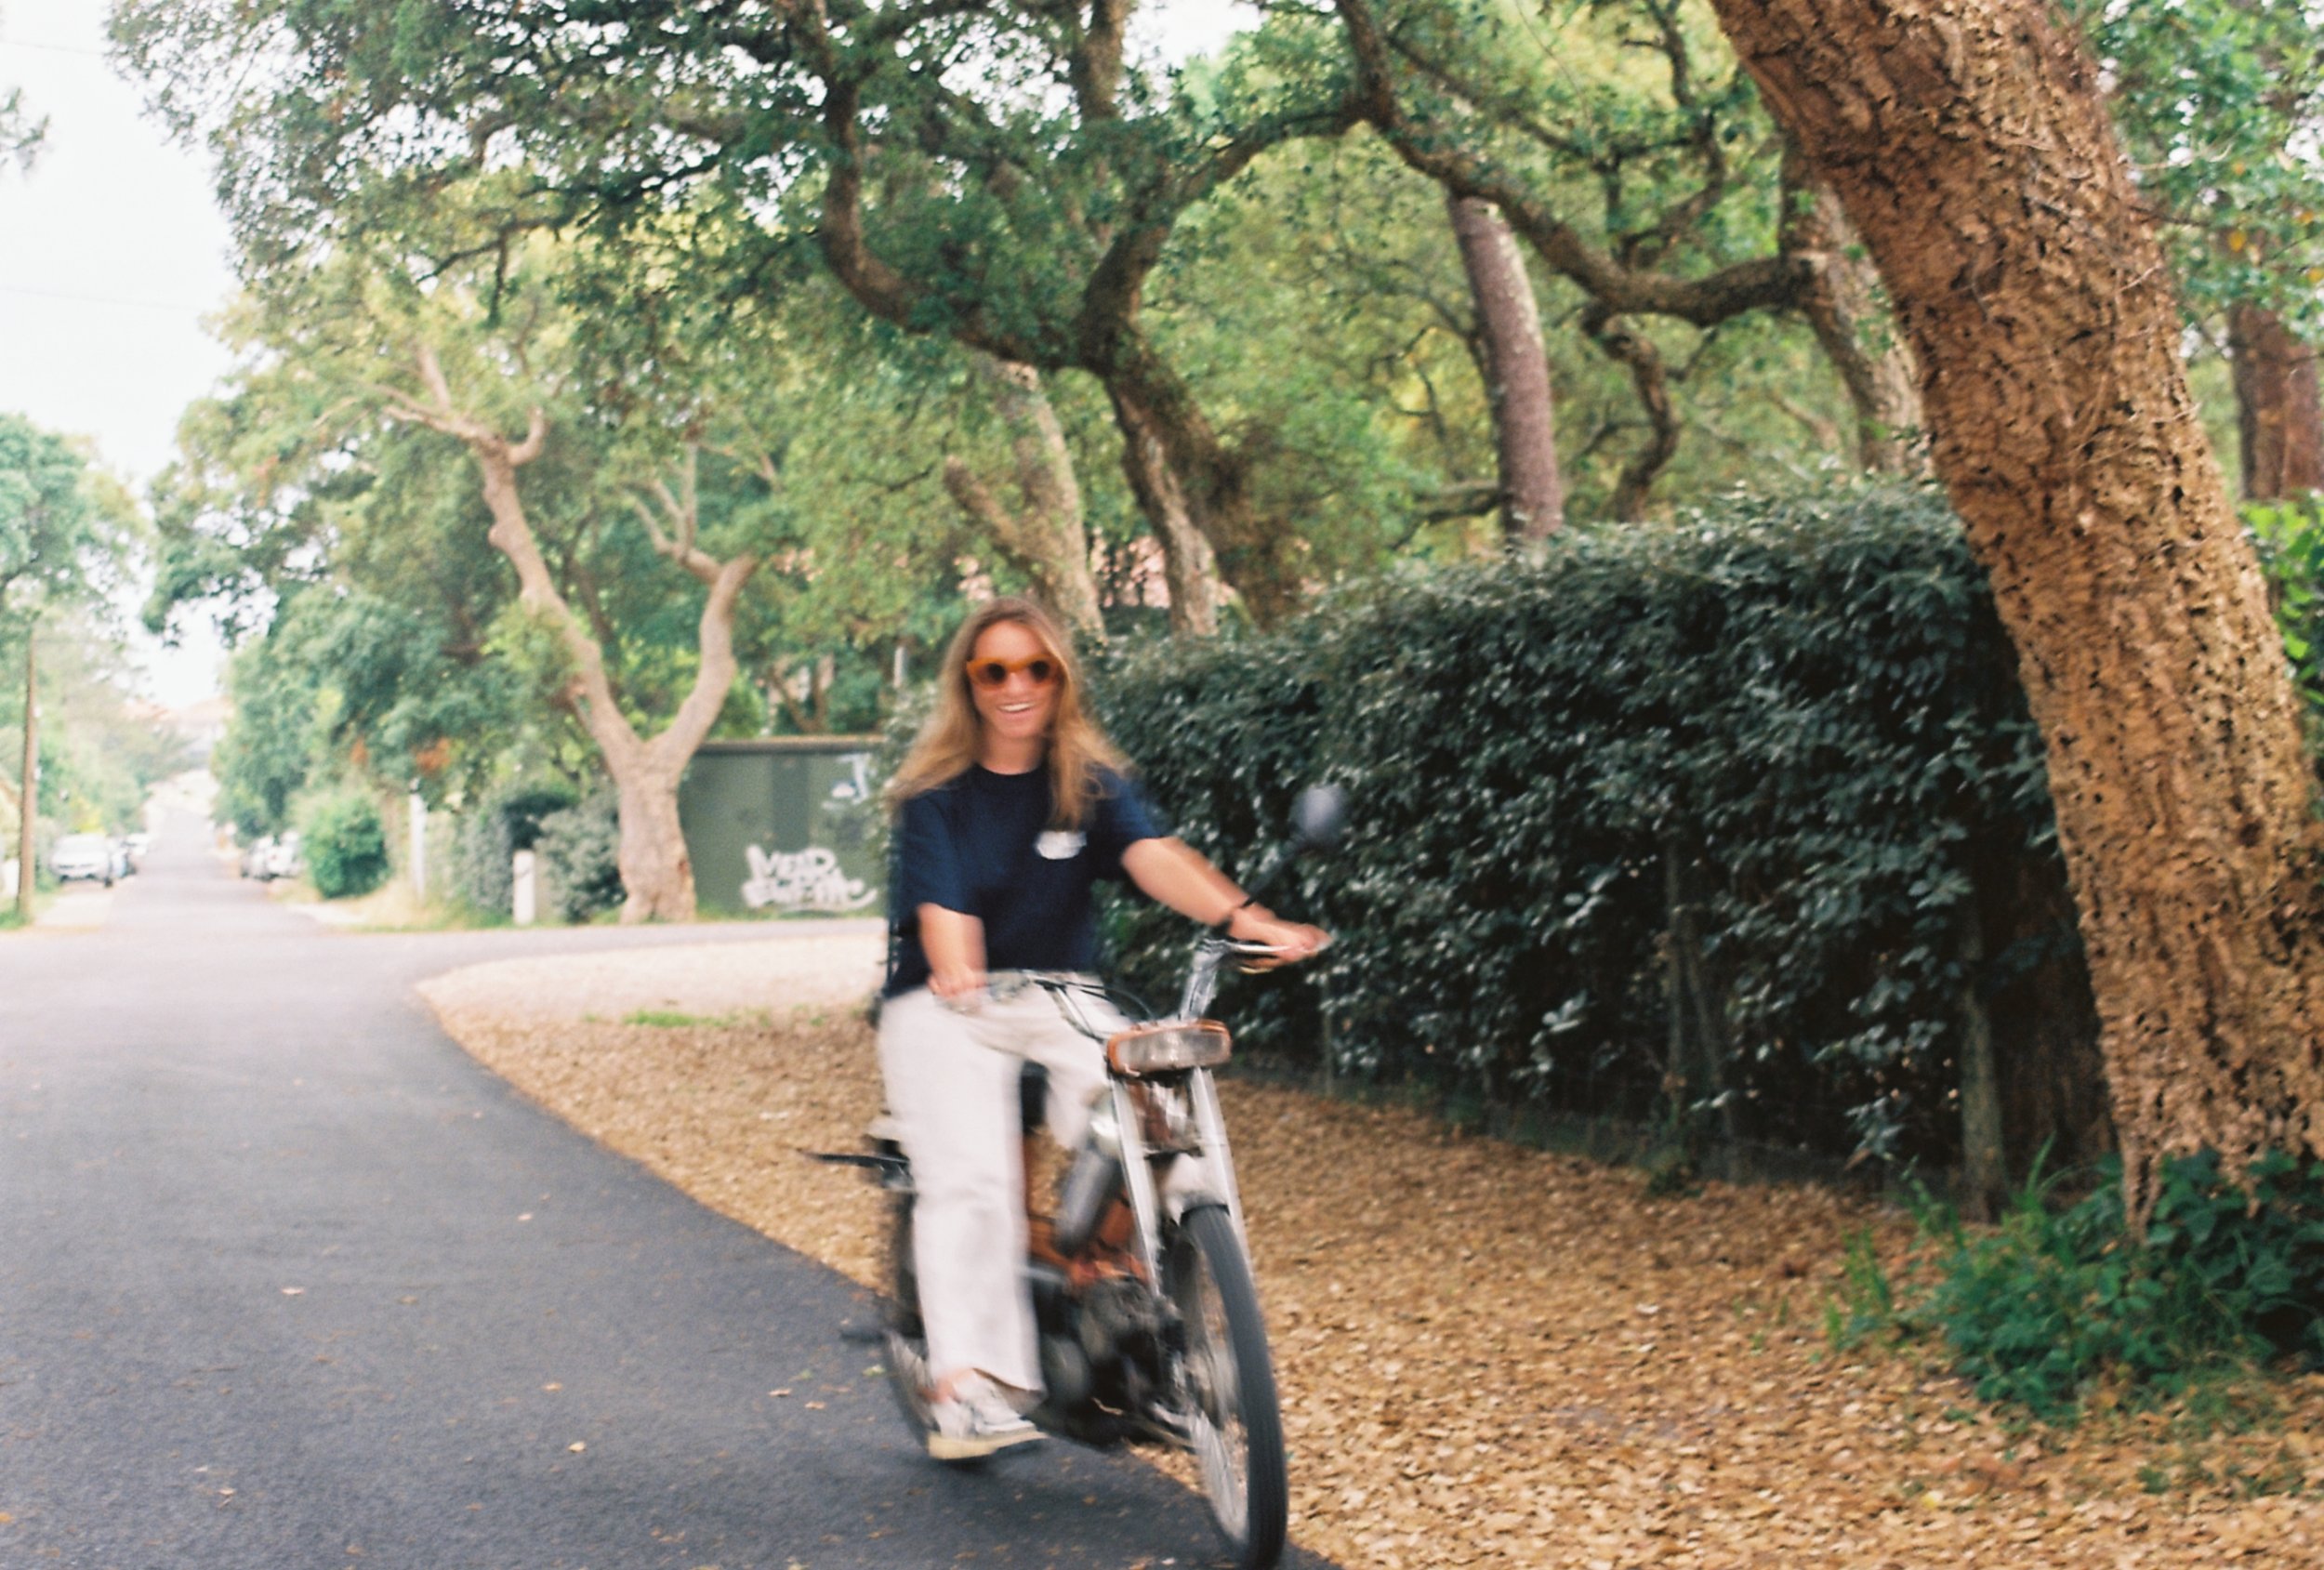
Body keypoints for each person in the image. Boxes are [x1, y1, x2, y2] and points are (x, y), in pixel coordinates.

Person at [878, 596, 1327, 1461]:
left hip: (1056, 993)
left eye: (1035, 668)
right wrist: (958, 958)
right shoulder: (934, 796)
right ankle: (970, 1383)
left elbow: (1154, 856)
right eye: (995, 670)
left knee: (1150, 1114)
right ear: (968, 684)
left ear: (1060, 678)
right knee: (971, 1179)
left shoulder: (1087, 780)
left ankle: (1118, 1283)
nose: (1017, 686)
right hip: (945, 1003)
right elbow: (944, 912)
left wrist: (1249, 920)